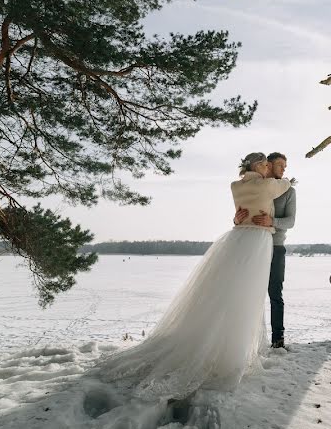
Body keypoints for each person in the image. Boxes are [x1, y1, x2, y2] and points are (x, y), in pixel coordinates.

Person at [98, 152, 291, 399]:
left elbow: (271, 212)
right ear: (258, 166)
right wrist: (265, 217)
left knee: (229, 293)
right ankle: (233, 355)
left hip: (239, 239)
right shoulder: (270, 185)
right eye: (268, 164)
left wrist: (248, 217)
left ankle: (225, 346)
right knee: (247, 297)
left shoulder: (235, 186)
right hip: (257, 241)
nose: (273, 168)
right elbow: (283, 185)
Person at [234, 152, 295, 349]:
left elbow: (291, 221)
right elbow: (245, 214)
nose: (283, 169)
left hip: (276, 247)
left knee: (275, 293)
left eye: (285, 166)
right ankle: (246, 341)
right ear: (268, 165)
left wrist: (272, 222)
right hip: (252, 245)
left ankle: (278, 340)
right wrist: (236, 220)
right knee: (248, 292)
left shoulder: (288, 192)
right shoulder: (255, 186)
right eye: (279, 165)